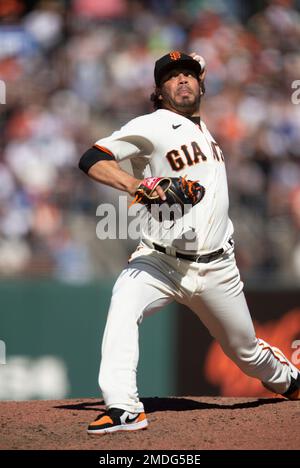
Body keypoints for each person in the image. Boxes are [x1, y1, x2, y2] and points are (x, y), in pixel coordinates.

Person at [79, 51, 300, 435]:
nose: (182, 80)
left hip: (216, 267)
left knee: (245, 353)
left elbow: (195, 86)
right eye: (172, 77)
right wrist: (138, 185)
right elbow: (92, 157)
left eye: (189, 75)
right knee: (122, 304)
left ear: (202, 85)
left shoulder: (202, 129)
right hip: (159, 261)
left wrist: (198, 67)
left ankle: (289, 379)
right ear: (159, 91)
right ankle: (123, 408)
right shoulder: (153, 125)